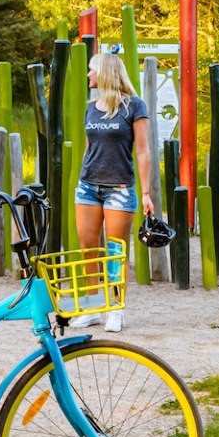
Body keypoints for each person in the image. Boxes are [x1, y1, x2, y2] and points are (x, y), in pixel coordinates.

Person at [71, 50, 156, 332]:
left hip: (119, 188)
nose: (88, 75)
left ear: (105, 72)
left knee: (116, 250)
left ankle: (116, 308)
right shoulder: (90, 106)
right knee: (88, 249)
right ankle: (93, 307)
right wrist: (83, 179)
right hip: (88, 187)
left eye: (92, 70)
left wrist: (145, 193)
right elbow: (89, 146)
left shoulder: (134, 106)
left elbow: (143, 151)